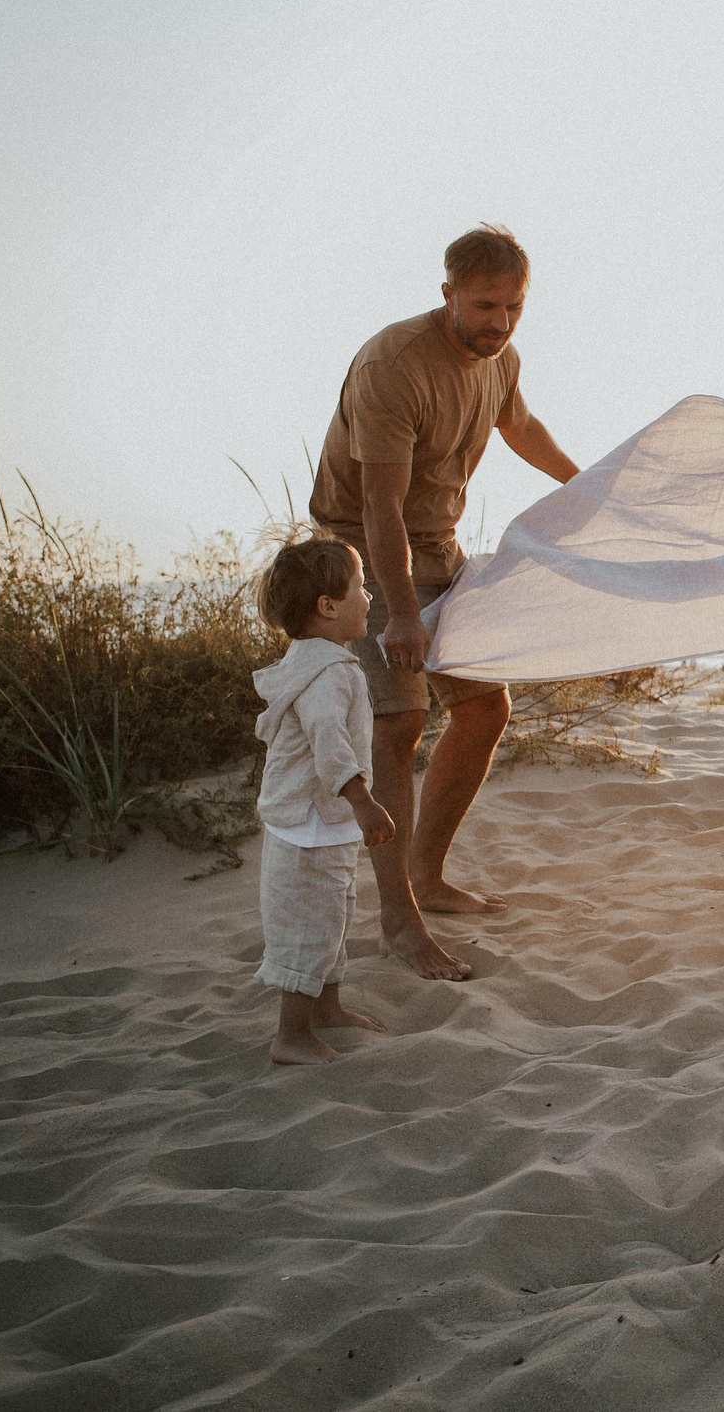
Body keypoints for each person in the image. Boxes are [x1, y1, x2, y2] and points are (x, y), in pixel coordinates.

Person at [307, 224, 582, 980]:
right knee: (399, 721)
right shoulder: (393, 365)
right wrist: (396, 613)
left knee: (486, 709)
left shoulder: (501, 359)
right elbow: (378, 505)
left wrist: (586, 486)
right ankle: (400, 920)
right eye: (485, 304)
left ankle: (426, 877)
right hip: (355, 552)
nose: (499, 321)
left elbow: (520, 426)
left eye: (514, 307)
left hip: (439, 547)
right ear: (448, 294)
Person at [252, 538, 396, 1063]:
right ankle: (291, 1035)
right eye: (360, 587)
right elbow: (328, 742)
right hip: (310, 824)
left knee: (333, 916)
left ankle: (327, 1009)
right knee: (307, 926)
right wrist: (363, 800)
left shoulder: (320, 659)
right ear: (327, 606)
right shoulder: (327, 672)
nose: (370, 597)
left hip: (321, 821)